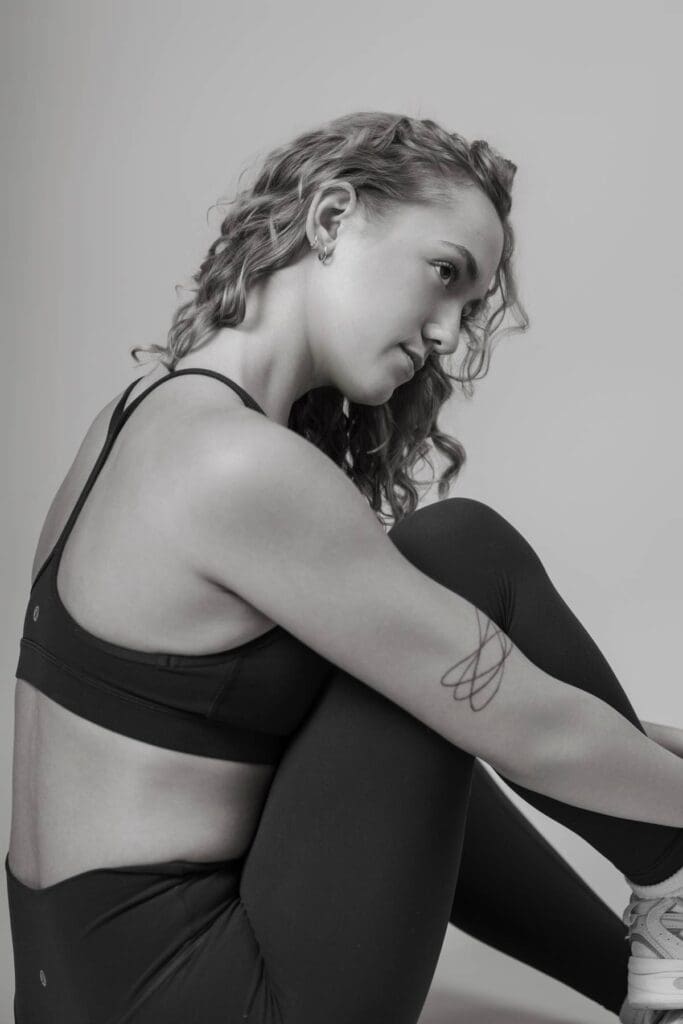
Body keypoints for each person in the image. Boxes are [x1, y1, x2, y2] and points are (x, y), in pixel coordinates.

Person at [5, 110, 683, 1024]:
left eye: (469, 306)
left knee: (415, 679)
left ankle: (653, 976)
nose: (448, 333)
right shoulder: (238, 465)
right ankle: (673, 876)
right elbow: (530, 729)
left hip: (78, 994)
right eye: (444, 273)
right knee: (458, 549)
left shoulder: (138, 415)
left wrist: (642, 753)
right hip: (202, 998)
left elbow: (430, 707)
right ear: (329, 219)